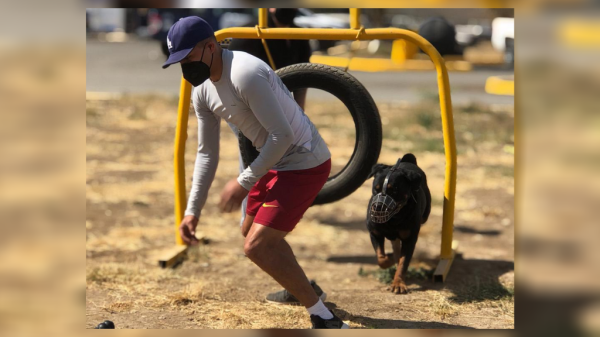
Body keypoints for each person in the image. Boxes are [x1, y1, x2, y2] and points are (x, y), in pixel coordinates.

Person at [162, 16, 348, 329]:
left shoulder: (244, 73)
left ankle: (324, 317)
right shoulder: (201, 91)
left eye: (188, 58)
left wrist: (242, 182)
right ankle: (305, 287)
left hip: (305, 160)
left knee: (257, 247)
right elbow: (207, 152)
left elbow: (283, 136)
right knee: (249, 232)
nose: (185, 67)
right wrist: (192, 211)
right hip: (275, 162)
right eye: (178, 61)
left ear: (210, 47)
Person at [227, 8, 326, 307]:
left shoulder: (298, 36)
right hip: (255, 131)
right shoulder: (247, 36)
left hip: (287, 135)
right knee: (250, 227)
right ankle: (299, 287)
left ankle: (307, 297)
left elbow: (302, 80)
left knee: (257, 241)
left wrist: (300, 116)